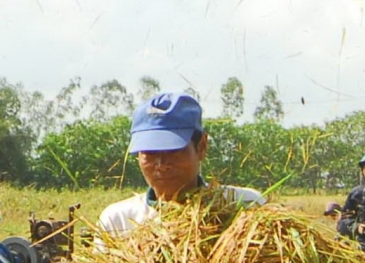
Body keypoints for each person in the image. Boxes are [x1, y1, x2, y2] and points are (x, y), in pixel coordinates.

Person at [99, 92, 264, 236]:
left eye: (173, 150)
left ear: (201, 147)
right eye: (150, 153)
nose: (162, 165)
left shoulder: (244, 207)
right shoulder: (119, 222)